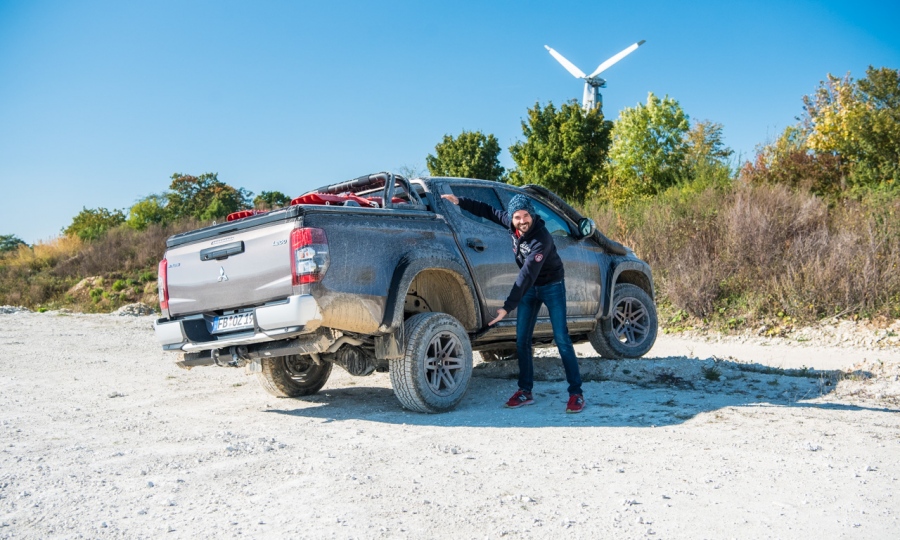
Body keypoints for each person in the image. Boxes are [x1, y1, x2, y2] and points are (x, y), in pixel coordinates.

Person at [441, 192, 585, 413]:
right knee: (521, 341)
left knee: (562, 339)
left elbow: (526, 275)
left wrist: (507, 307)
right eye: (517, 217)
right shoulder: (511, 222)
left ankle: (576, 393)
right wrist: (460, 201)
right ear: (511, 218)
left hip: (551, 286)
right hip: (529, 290)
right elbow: (486, 210)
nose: (522, 221)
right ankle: (525, 391)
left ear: (532, 214)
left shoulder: (541, 239)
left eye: (525, 215)